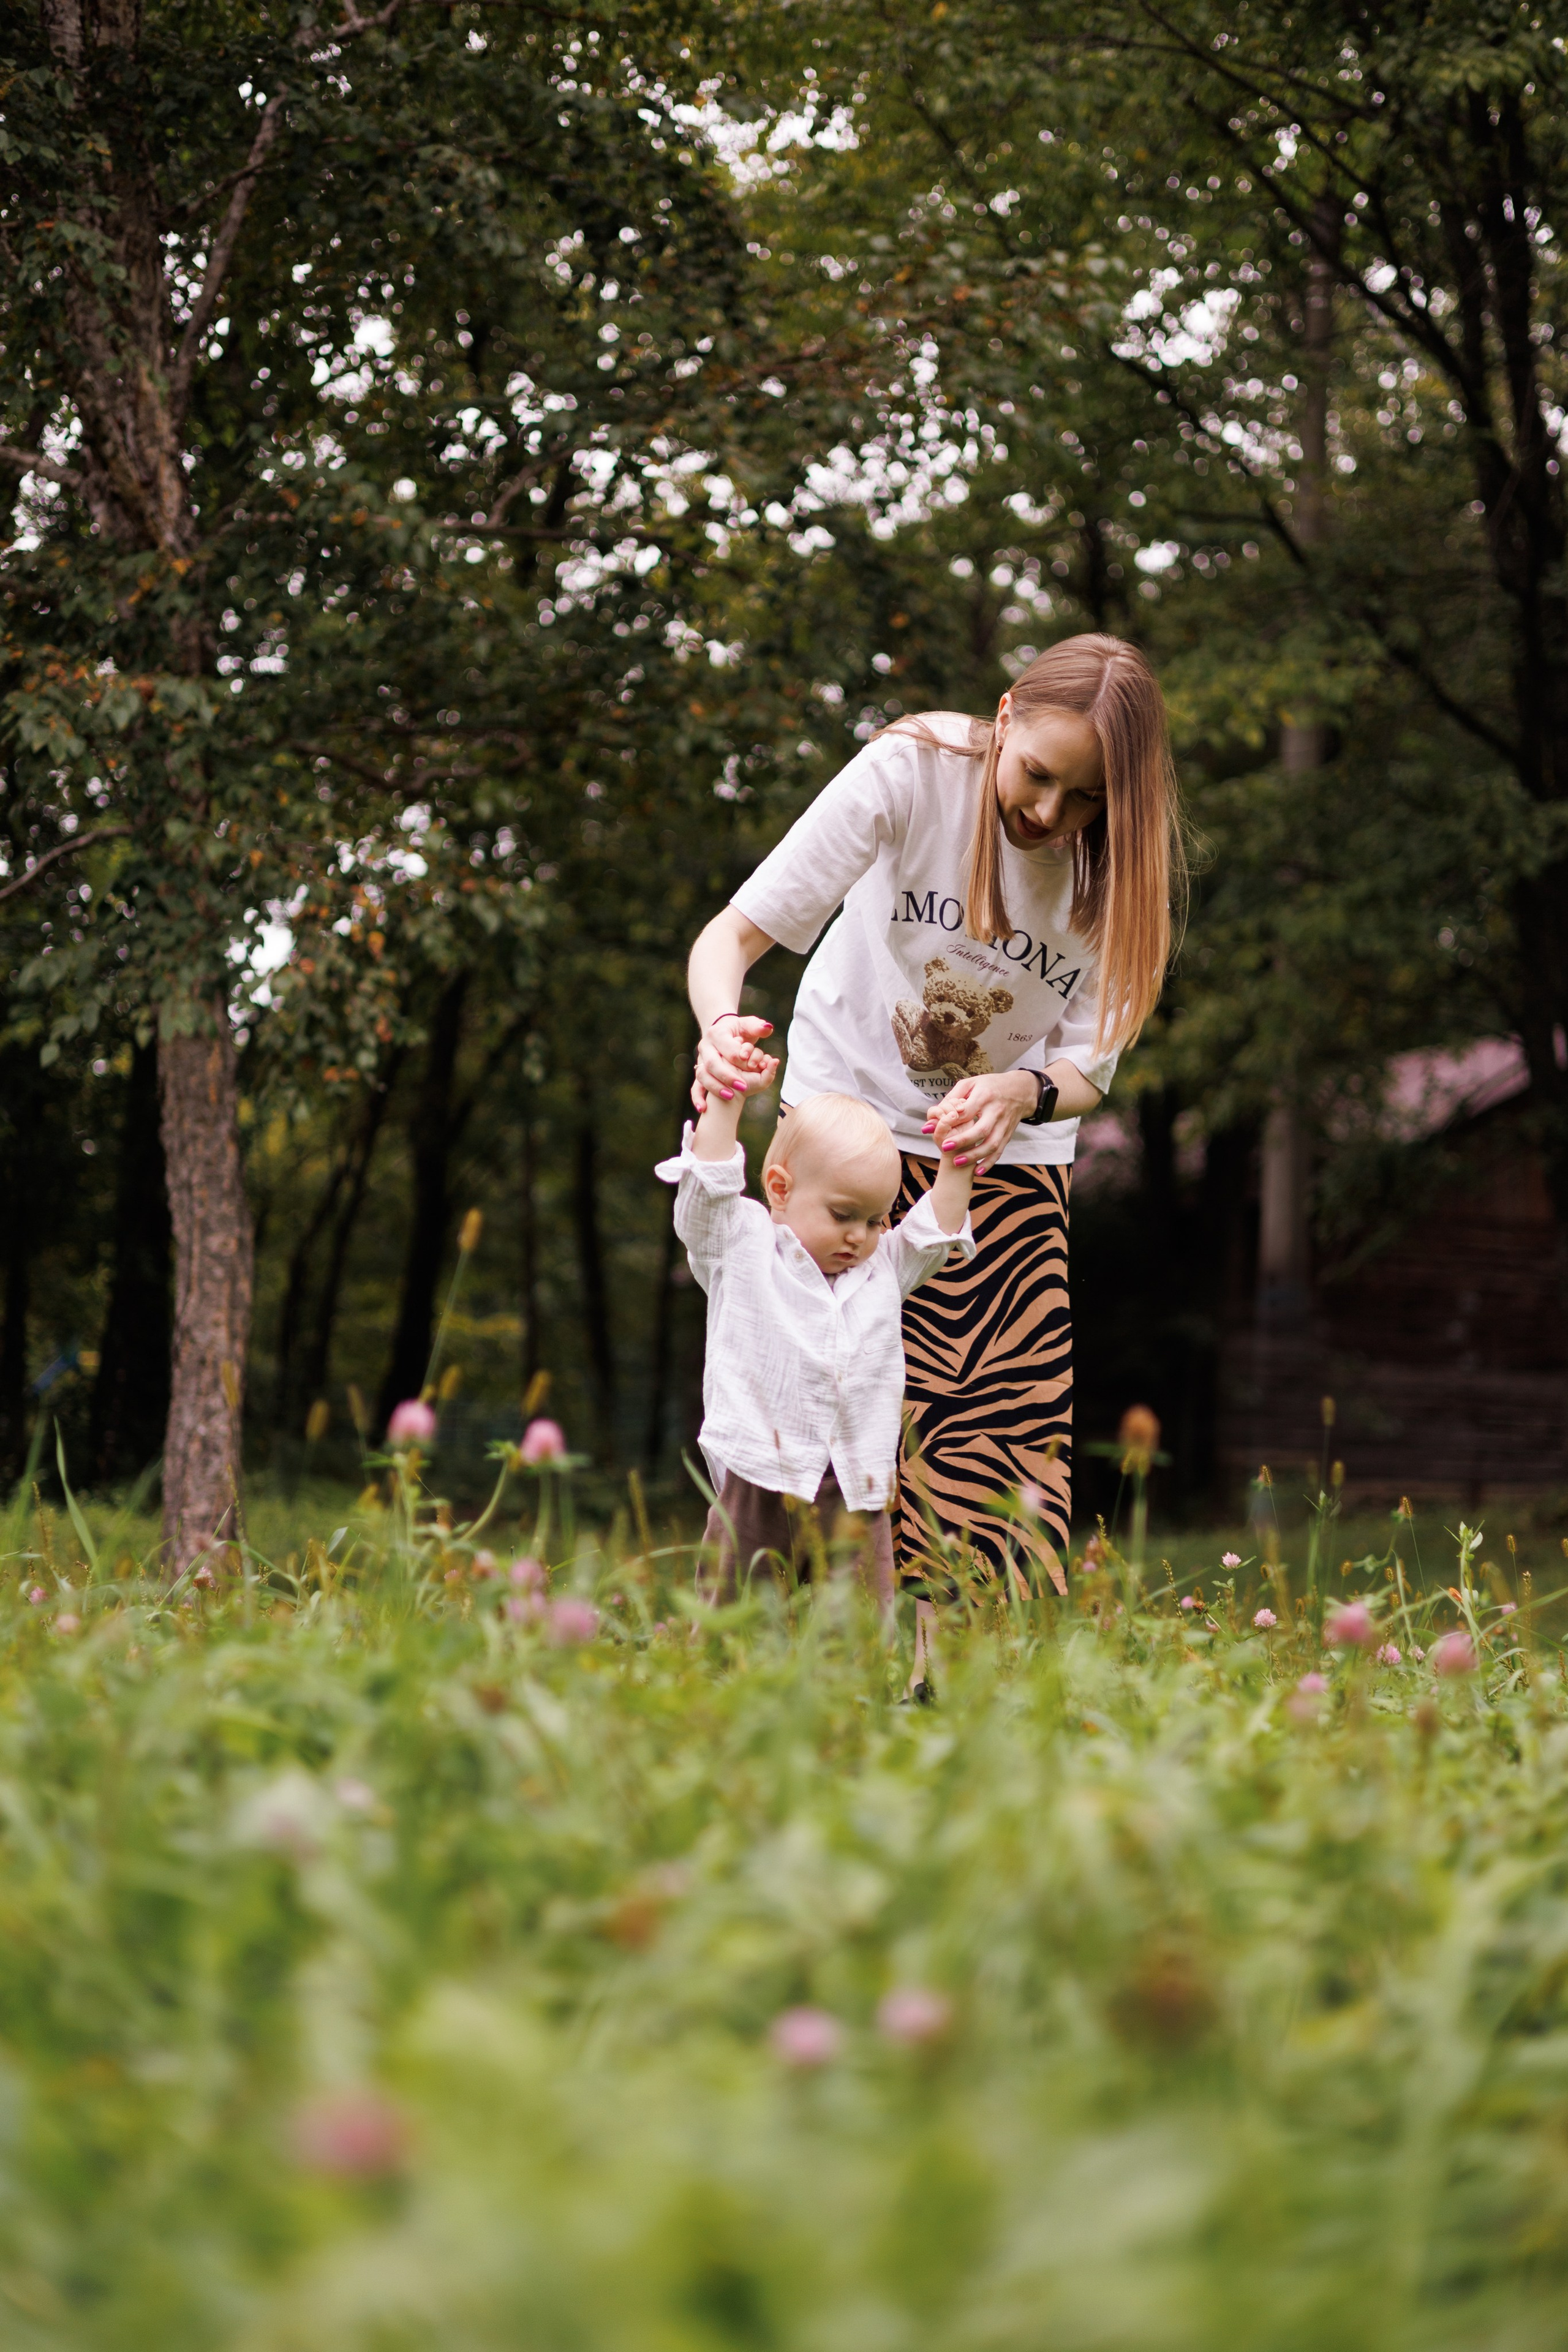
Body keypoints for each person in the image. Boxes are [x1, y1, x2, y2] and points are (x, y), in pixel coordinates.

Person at [685, 631, 1184, 1610]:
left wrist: (1019, 1092)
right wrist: (717, 1033)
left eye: (1088, 800)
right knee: (818, 1407)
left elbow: (1090, 1066)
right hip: (846, 1137)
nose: (1052, 815)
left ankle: (968, 1681)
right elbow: (732, 937)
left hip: (1004, 1159)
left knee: (996, 1432)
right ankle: (782, 1649)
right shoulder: (910, 772)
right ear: (1003, 720)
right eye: (1040, 777)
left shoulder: (1125, 869)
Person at [655, 1076, 974, 1630]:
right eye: (844, 1214)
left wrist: (957, 1158)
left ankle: (848, 1710)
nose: (861, 1236)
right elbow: (707, 1189)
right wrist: (727, 1100)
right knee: (734, 1627)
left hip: (854, 1487)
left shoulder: (881, 1269)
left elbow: (933, 1236)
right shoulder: (741, 1241)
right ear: (779, 1190)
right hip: (760, 1478)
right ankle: (719, 1704)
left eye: (875, 1220)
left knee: (855, 1637)